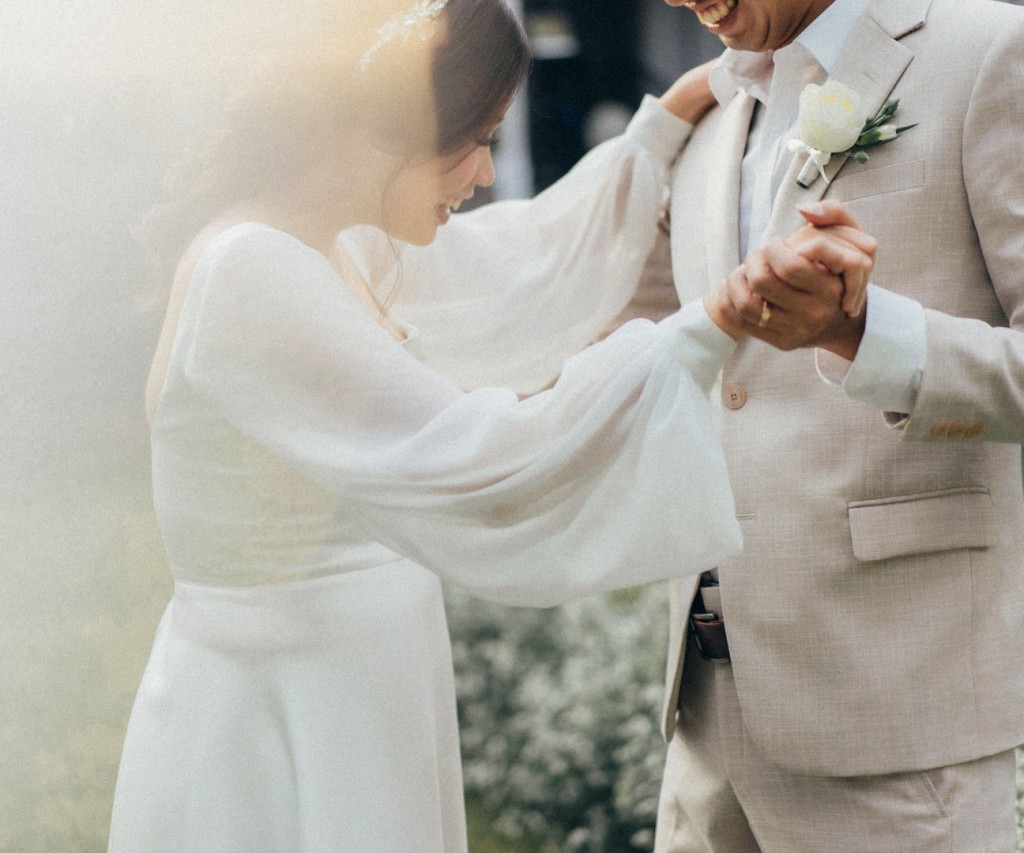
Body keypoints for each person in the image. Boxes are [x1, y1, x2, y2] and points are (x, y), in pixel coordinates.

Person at [107, 1, 874, 849]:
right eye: (476, 139)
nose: (481, 172)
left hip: (351, 684)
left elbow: (517, 264)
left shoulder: (335, 247)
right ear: (391, 127)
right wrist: (710, 324)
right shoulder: (253, 271)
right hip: (286, 706)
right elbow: (482, 454)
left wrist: (660, 130)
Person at [632, 0, 1024, 849]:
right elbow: (649, 352)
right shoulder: (709, 113)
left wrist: (863, 334)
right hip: (705, 723)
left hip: (899, 722)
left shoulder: (993, 51)